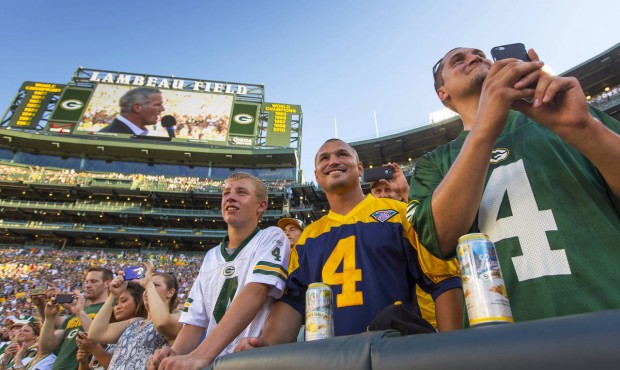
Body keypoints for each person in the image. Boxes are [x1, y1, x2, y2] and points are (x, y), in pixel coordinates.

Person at [408, 46, 620, 322]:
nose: (475, 58)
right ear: (443, 94)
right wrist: (485, 129)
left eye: (479, 54)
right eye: (458, 61)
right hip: (503, 342)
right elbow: (441, 237)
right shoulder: (434, 162)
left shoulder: (573, 114)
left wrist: (583, 129)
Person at [236, 139, 462, 352]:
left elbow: (443, 281)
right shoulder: (308, 237)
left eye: (342, 154)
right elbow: (292, 303)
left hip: (397, 352)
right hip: (328, 358)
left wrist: (451, 350)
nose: (333, 161)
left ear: (360, 168)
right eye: (324, 158)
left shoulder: (399, 214)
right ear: (316, 175)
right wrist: (265, 344)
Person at [147, 173, 290, 370]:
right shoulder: (210, 256)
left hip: (251, 361)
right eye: (226, 193)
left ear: (261, 206)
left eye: (242, 193)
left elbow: (255, 292)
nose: (230, 197)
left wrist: (200, 355)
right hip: (216, 363)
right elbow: (196, 321)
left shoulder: (272, 236)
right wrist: (175, 354)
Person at [88, 263, 181, 369]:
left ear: (170, 292)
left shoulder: (177, 318)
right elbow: (95, 334)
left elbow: (162, 323)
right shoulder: (135, 322)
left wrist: (149, 285)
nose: (147, 289)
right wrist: (114, 295)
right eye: (145, 286)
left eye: (155, 285)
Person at [39, 267, 113, 370]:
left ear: (107, 284)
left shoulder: (111, 308)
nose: (87, 285)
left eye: (94, 281)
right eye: (86, 282)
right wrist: (49, 318)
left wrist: (80, 313)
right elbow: (45, 348)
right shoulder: (76, 312)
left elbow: (101, 340)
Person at [76, 281, 148, 370]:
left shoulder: (140, 326)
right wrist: (83, 362)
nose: (118, 307)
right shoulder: (108, 339)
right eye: (115, 303)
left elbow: (120, 366)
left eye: (124, 301)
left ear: (139, 301)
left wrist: (94, 348)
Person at [98, 87, 165, 135]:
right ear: (137, 108)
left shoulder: (121, 132)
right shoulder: (111, 137)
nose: (162, 109)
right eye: (158, 105)